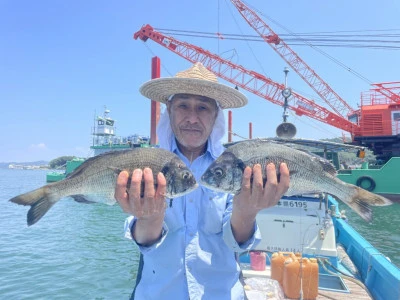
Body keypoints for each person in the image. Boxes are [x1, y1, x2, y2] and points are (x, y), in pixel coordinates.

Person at [114, 62, 290, 300]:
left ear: (216, 114)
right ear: (170, 109)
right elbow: (145, 242)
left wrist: (248, 211)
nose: (192, 118)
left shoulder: (232, 166)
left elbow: (236, 243)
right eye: (183, 105)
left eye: (203, 108)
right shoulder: (148, 164)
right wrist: (148, 218)